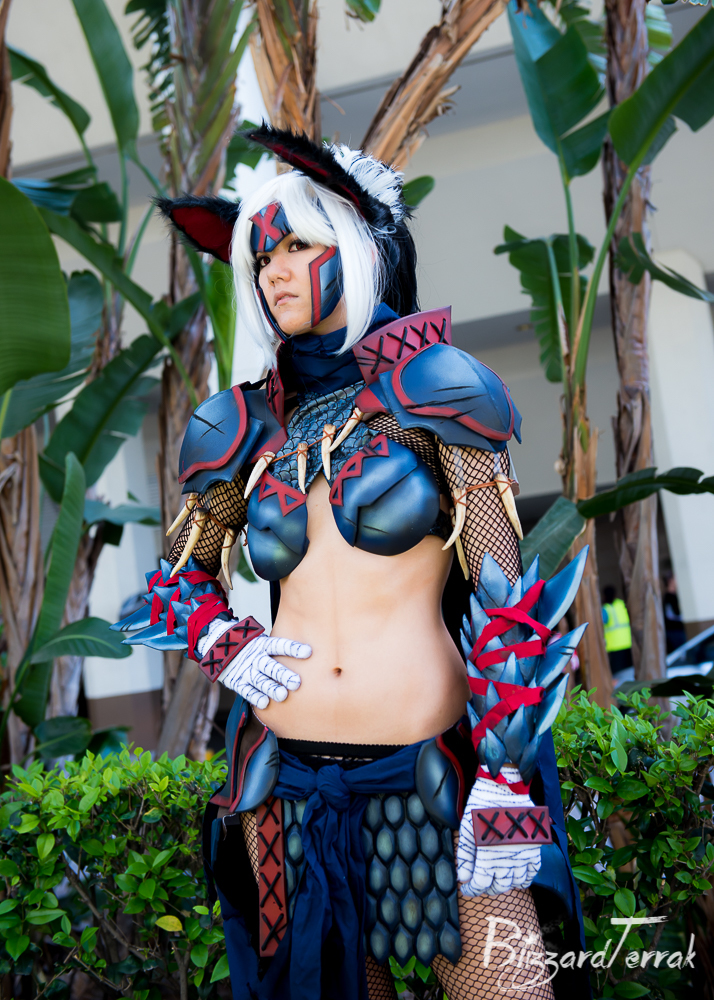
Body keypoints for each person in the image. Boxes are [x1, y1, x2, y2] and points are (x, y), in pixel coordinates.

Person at [114, 125, 587, 1000]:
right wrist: (225, 643)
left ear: (359, 245)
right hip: (286, 786)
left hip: (432, 780)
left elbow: (505, 598)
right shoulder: (240, 424)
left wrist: (505, 782)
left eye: (297, 246)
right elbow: (178, 579)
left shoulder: (438, 388)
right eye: (261, 257)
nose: (274, 272)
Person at [602, 585, 632, 677]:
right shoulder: (622, 605)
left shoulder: (605, 609)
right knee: (629, 670)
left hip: (614, 646)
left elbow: (601, 623)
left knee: (619, 674)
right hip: (627, 643)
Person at [662, 570, 686, 653]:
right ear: (670, 581)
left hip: (678, 631)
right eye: (676, 579)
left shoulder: (676, 596)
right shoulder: (668, 597)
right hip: (674, 632)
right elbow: (673, 615)